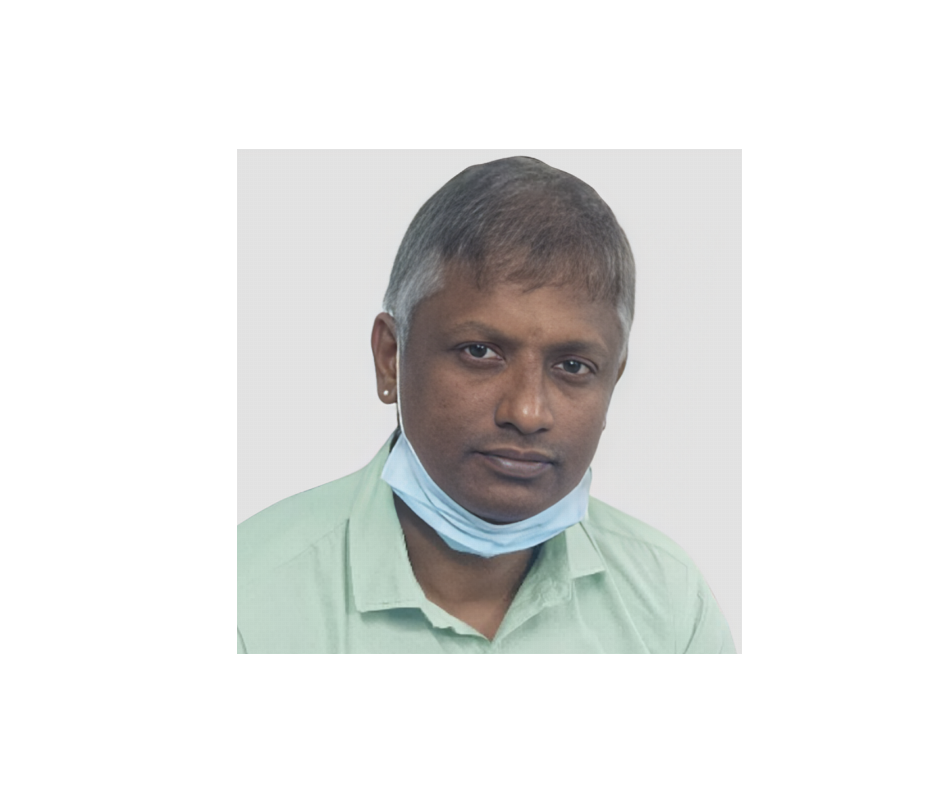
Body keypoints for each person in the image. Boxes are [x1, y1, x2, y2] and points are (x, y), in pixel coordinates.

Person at [238, 157, 735, 654]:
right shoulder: (253, 599)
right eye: (480, 352)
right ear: (391, 358)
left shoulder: (670, 608)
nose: (528, 413)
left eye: (573, 366)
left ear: (613, 379)